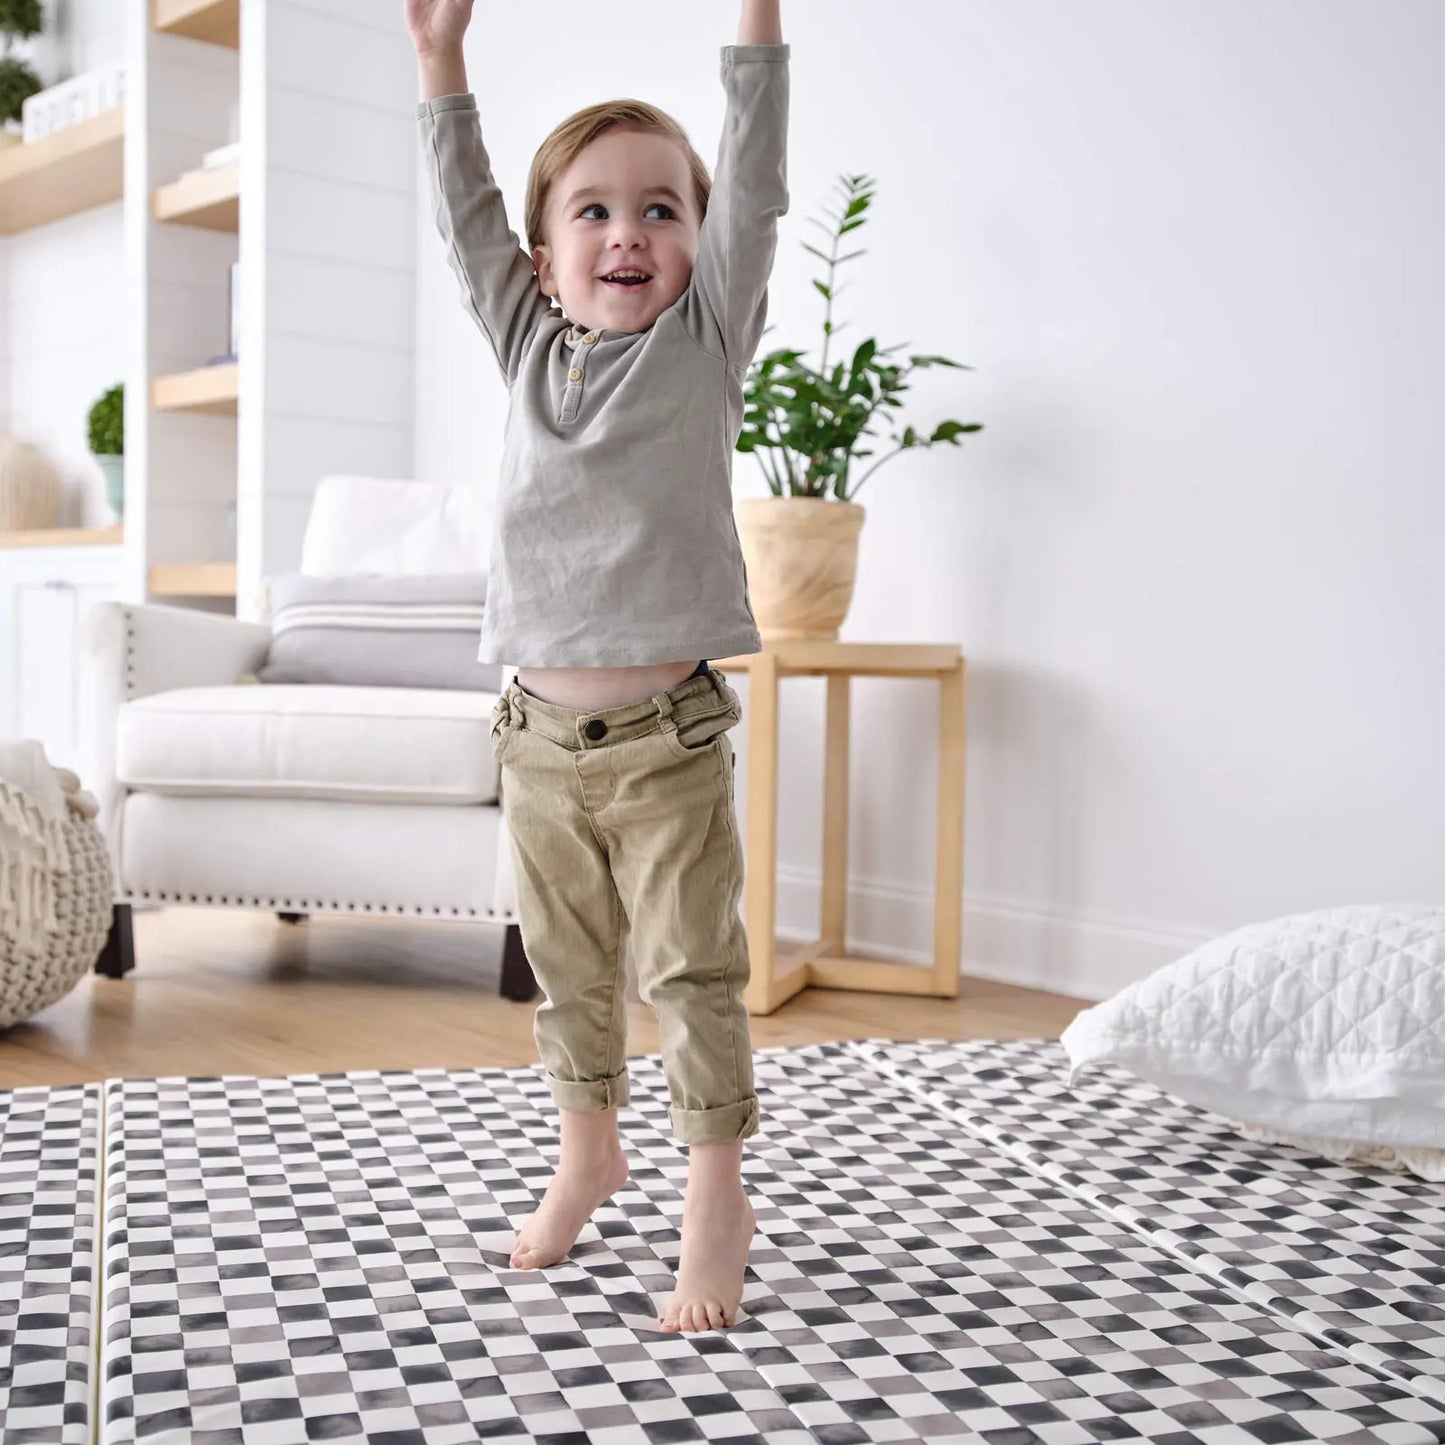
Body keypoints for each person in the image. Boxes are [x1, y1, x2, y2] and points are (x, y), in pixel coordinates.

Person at [405, 0, 789, 1333]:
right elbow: (461, 212)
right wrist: (441, 60)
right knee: (567, 977)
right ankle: (588, 1154)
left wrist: (756, 25)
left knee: (689, 978)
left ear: (702, 245)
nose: (629, 234)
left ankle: (714, 1196)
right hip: (534, 743)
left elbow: (753, 173)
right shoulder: (526, 349)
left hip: (665, 746)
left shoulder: (702, 345)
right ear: (542, 258)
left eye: (661, 211)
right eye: (595, 212)